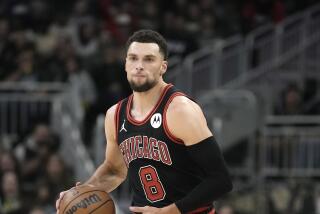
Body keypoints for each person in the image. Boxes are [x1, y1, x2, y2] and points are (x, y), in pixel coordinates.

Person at [56, 29, 232, 214]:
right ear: (125, 64)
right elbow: (115, 171)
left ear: (163, 67)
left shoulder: (180, 110)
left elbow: (220, 180)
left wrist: (169, 211)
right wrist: (81, 193)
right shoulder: (114, 115)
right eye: (133, 58)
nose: (139, 65)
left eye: (148, 59)